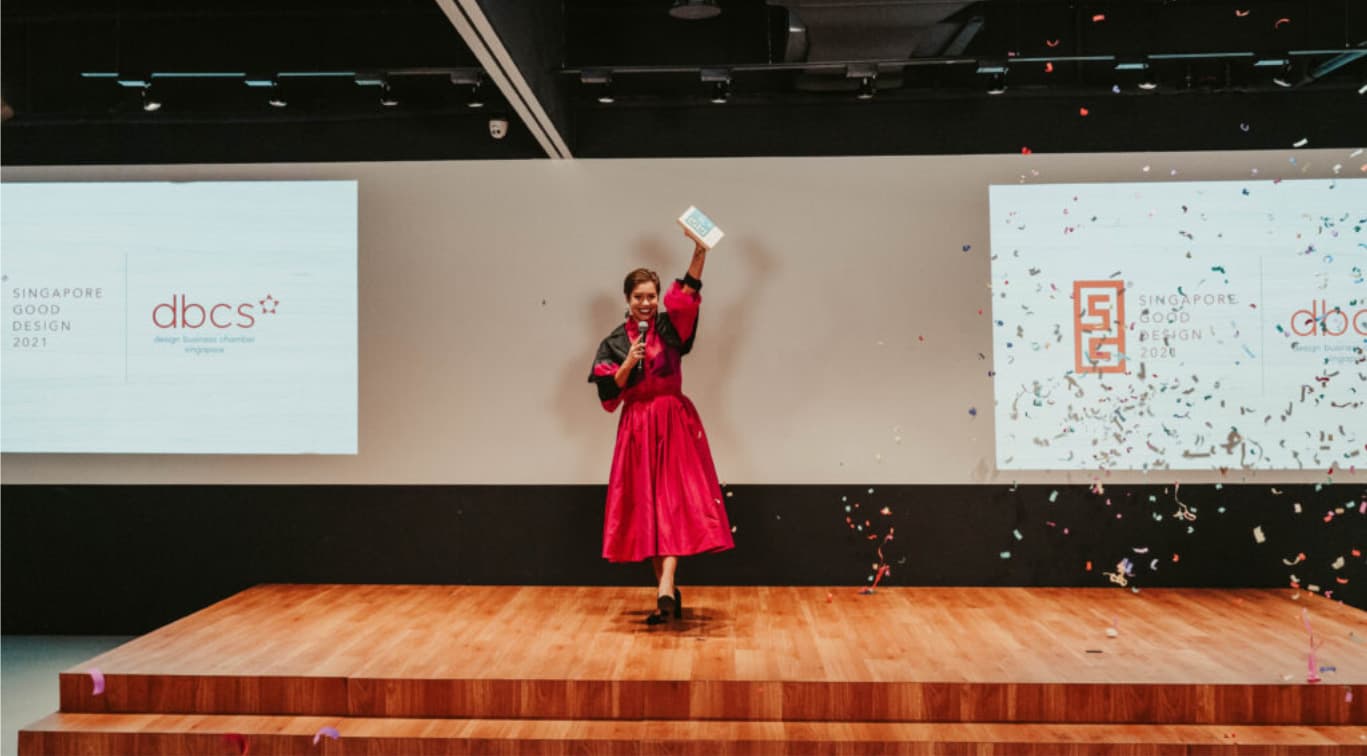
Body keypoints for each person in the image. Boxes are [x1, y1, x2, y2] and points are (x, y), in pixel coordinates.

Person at [587, 235, 734, 624]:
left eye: (651, 295)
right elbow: (607, 395)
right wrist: (626, 364)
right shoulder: (615, 342)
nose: (647, 302)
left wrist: (699, 252)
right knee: (648, 508)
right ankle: (665, 590)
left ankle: (666, 585)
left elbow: (686, 295)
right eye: (639, 297)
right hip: (636, 426)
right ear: (628, 299)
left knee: (670, 504)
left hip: (671, 423)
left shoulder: (671, 329)